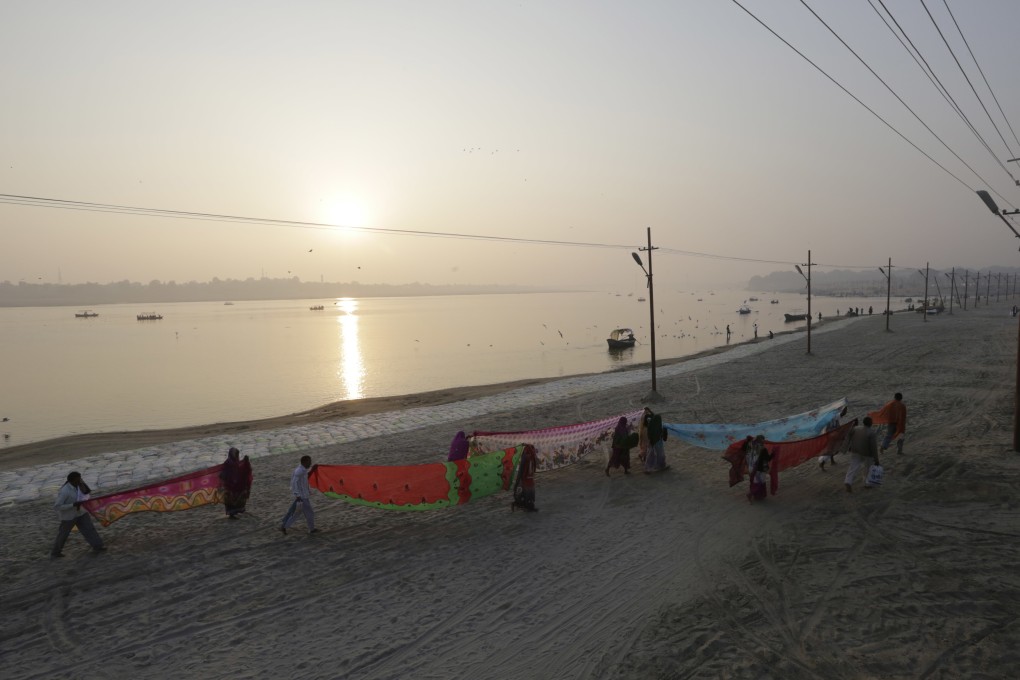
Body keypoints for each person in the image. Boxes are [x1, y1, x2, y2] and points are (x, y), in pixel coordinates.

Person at [51, 471, 105, 557]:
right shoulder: (64, 491)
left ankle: (98, 546)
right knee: (63, 534)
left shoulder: (80, 485)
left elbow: (87, 494)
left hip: (82, 512)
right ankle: (56, 552)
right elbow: (57, 506)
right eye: (78, 480)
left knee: (89, 529)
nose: (80, 481)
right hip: (69, 517)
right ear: (71, 481)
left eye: (80, 479)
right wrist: (73, 505)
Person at [280, 455, 317, 535]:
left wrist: (312, 470)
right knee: (309, 513)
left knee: (296, 513)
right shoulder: (299, 471)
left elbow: (304, 478)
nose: (310, 463)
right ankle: (312, 529)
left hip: (302, 496)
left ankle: (284, 526)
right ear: (304, 462)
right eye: (309, 462)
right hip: (302, 497)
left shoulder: (302, 470)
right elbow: (294, 483)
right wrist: (297, 495)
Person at [844, 416, 880, 493]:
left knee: (853, 467)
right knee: (867, 468)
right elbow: (873, 447)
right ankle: (867, 484)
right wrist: (876, 459)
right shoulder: (871, 433)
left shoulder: (856, 428)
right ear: (870, 423)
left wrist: (848, 446)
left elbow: (848, 435)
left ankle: (848, 481)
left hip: (855, 450)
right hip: (867, 453)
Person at [220, 447, 253, 519]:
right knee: (231, 499)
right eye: (236, 454)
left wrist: (246, 462)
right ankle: (232, 514)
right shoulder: (228, 463)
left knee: (238, 497)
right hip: (230, 487)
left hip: (235, 486)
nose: (237, 456)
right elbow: (224, 474)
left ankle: (237, 511)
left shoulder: (235, 462)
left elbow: (241, 470)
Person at [512, 445, 538, 512]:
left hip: (525, 480)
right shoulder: (533, 457)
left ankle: (525, 506)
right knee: (530, 497)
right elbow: (534, 470)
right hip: (531, 481)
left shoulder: (525, 457)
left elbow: (521, 471)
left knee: (521, 495)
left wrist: (516, 483)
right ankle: (530, 506)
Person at [746, 435, 772, 502]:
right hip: (760, 468)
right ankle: (751, 494)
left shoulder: (752, 448)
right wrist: (774, 453)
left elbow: (748, 458)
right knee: (761, 482)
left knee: (756, 482)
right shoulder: (763, 449)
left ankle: (756, 496)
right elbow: (768, 459)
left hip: (752, 468)